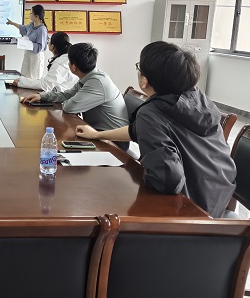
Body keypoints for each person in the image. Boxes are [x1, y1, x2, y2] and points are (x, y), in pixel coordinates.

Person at [75, 41, 236, 218]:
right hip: (217, 198)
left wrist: (139, 174)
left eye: (139, 67)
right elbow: (138, 130)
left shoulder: (151, 112)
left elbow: (167, 179)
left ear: (144, 81)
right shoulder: (199, 99)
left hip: (188, 211)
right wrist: (97, 135)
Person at [22, 42, 128, 132]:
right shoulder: (89, 77)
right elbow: (68, 94)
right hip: (96, 131)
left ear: (74, 67)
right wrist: (41, 96)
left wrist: (70, 101)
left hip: (112, 141)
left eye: (69, 61)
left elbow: (69, 107)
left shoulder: (97, 82)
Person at [12, 31, 78, 92]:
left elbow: (46, 85)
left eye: (49, 41)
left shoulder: (60, 63)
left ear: (52, 46)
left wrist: (21, 82)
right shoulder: (66, 58)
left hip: (62, 97)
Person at [6, 4, 48, 79]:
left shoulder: (42, 29)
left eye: (31, 13)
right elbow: (23, 28)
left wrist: (29, 44)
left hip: (36, 56)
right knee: (23, 76)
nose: (30, 15)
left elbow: (40, 46)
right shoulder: (31, 25)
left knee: (33, 78)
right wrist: (12, 23)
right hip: (28, 53)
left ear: (37, 16)